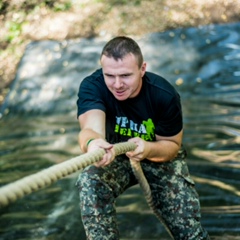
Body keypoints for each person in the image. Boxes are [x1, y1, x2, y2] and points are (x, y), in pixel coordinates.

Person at [76, 36, 209, 240]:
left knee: (190, 233)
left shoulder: (163, 94)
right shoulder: (93, 86)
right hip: (114, 155)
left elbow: (171, 145)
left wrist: (147, 149)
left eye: (126, 75)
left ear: (142, 69)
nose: (117, 84)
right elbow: (89, 129)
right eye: (110, 75)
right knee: (90, 179)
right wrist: (94, 143)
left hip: (156, 153)